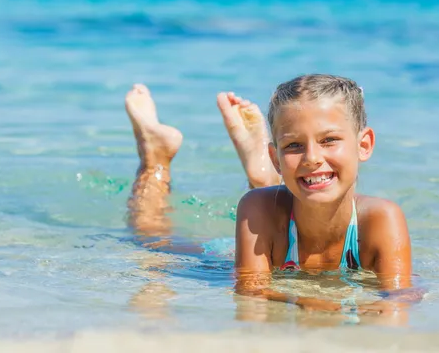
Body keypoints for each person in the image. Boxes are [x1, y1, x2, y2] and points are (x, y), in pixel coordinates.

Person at [125, 74, 418, 316]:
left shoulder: (381, 219)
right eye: (293, 145)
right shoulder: (257, 209)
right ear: (277, 158)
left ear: (364, 145)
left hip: (276, 232)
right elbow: (250, 293)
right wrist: (317, 303)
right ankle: (155, 156)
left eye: (329, 140)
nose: (313, 157)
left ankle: (260, 173)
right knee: (151, 239)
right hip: (249, 244)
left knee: (279, 194)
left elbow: (400, 297)